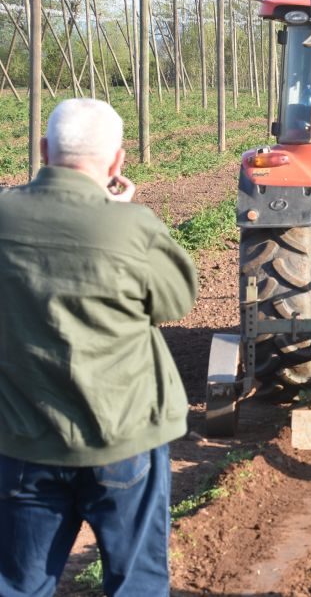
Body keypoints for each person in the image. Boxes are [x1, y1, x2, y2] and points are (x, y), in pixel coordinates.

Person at [0, 98, 199, 595]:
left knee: (20, 585)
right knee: (136, 582)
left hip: (24, 441)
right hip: (123, 437)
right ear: (117, 163)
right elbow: (176, 301)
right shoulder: (132, 228)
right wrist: (124, 216)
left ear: (43, 150)